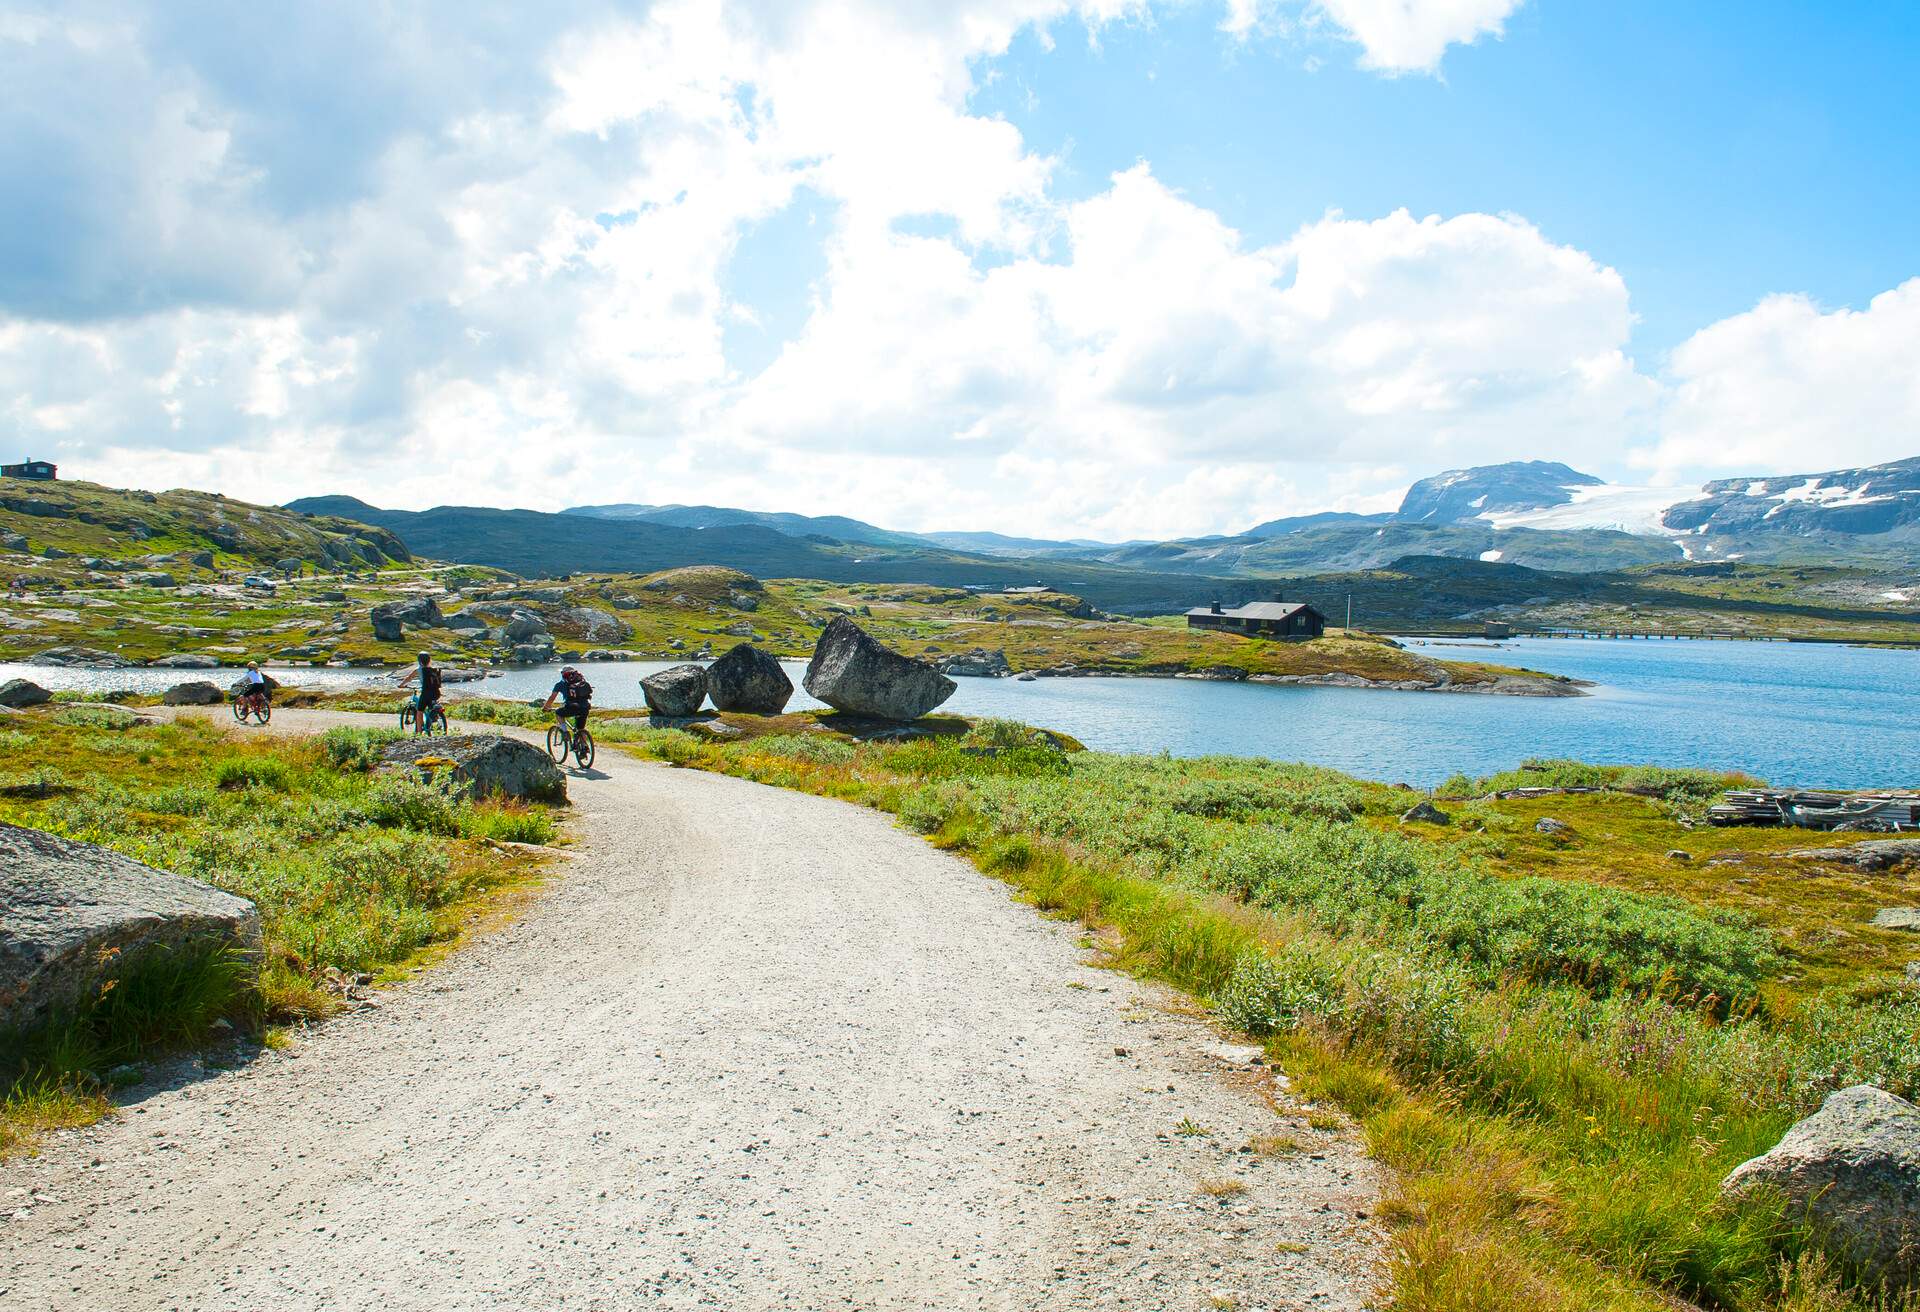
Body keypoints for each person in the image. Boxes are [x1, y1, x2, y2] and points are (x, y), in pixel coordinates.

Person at [541, 666, 592, 746]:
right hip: (585, 706)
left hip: (572, 707)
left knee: (558, 713)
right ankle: (584, 747)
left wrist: (545, 707)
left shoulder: (560, 684)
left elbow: (552, 697)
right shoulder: (581, 681)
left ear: (563, 674)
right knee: (581, 729)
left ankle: (565, 732)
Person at [398, 651, 443, 724]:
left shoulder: (419, 669)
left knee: (419, 711)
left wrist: (401, 685)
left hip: (426, 693)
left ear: (419, 661)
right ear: (429, 660)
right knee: (432, 706)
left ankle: (419, 732)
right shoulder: (433, 669)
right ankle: (436, 720)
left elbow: (409, 678)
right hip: (436, 692)